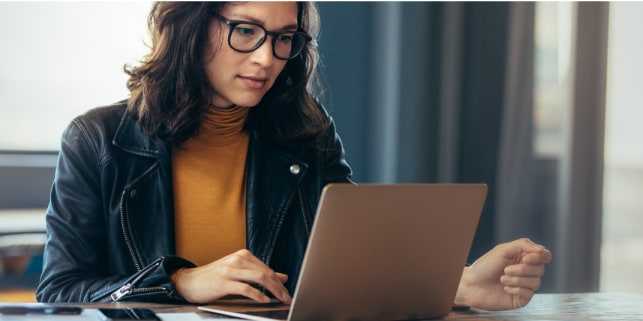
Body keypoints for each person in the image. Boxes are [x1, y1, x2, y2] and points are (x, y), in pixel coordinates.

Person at [36, 2, 552, 310]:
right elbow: (59, 292)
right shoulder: (98, 140)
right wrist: (179, 283)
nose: (266, 58)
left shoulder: (305, 133)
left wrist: (457, 284)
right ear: (192, 25)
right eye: (245, 31)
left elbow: (352, 267)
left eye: (284, 38)